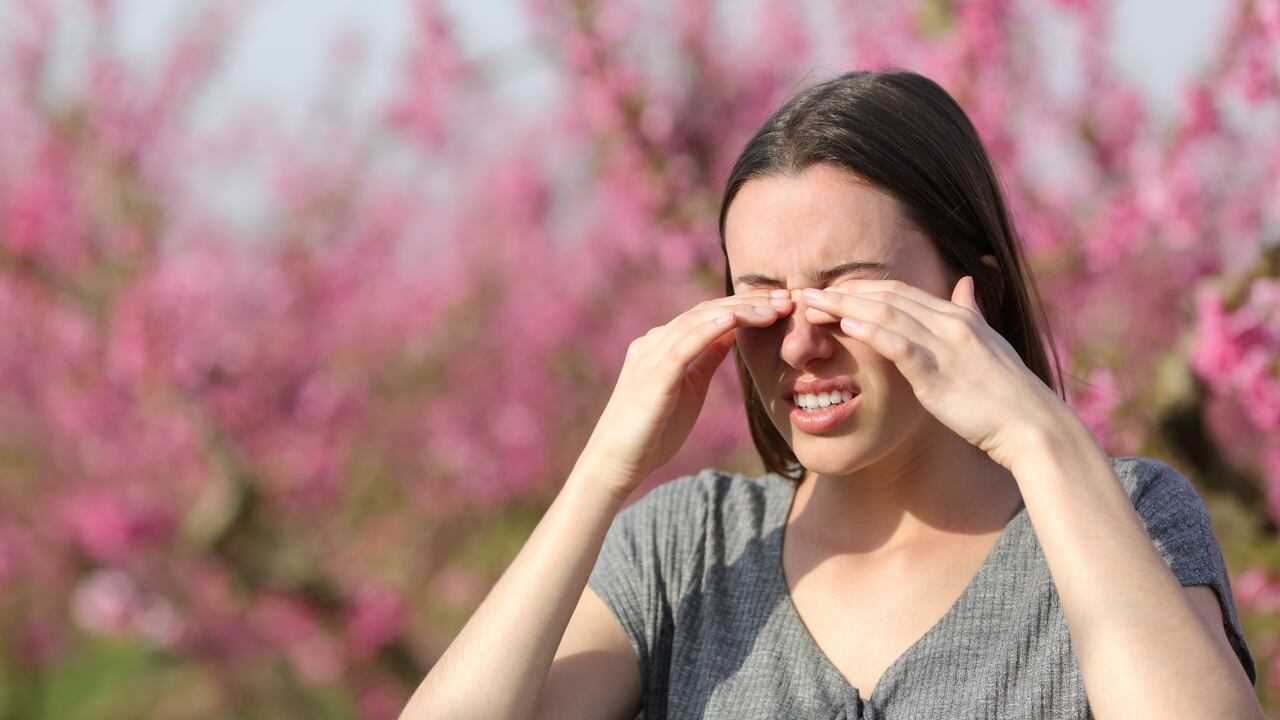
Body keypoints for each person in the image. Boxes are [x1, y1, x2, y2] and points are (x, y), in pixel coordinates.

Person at [398, 70, 1262, 719]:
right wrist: (601, 473)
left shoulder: (1125, 519)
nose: (802, 346)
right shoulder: (685, 554)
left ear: (977, 294)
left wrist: (1041, 440)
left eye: (849, 296)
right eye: (764, 301)